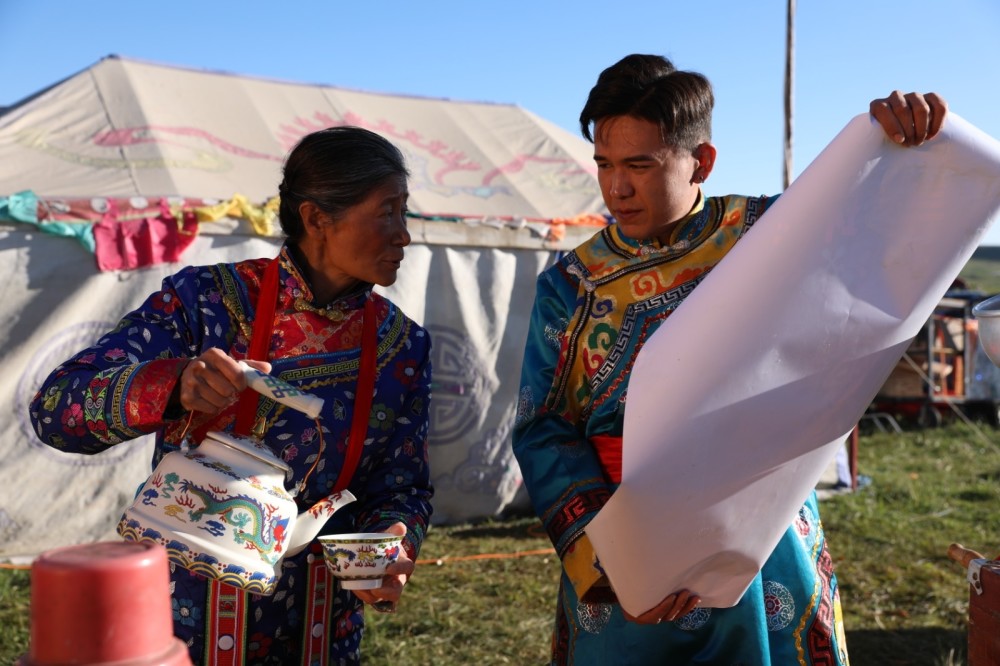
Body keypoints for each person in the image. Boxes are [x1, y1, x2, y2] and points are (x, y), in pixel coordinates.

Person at [511, 53, 947, 665]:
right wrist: (615, 557)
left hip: (763, 536)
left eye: (640, 164)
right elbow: (542, 425)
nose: (616, 187)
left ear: (702, 162)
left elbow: (886, 231)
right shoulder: (571, 285)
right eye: (605, 165)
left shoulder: (770, 234)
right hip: (627, 546)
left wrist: (906, 145)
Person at [29, 126, 433, 665]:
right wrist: (174, 385)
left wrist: (393, 541)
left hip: (320, 635)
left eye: (404, 213)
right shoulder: (207, 303)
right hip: (181, 626)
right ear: (317, 219)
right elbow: (57, 410)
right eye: (388, 212)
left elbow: (404, 484)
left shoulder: (401, 345)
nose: (404, 234)